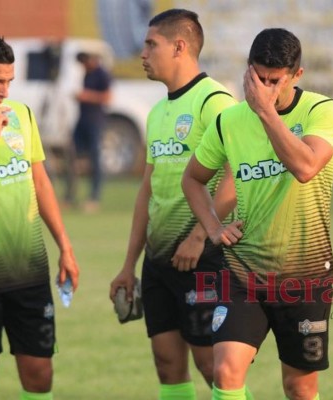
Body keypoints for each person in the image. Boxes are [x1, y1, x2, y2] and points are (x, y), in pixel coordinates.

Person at [182, 28, 333, 400]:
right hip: (243, 272)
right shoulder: (230, 122)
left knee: (299, 388)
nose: (264, 88)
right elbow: (193, 179)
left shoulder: (323, 111)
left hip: (305, 273)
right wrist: (213, 227)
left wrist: (266, 113)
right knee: (225, 372)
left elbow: (305, 167)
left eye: (274, 81)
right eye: (258, 78)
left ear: (297, 75)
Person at [109, 9, 237, 400]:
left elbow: (235, 176)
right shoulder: (158, 111)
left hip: (204, 257)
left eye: (151, 44)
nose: (143, 53)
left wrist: (201, 236)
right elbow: (148, 190)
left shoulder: (215, 102)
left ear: (179, 46)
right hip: (160, 260)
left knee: (212, 366)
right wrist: (129, 265)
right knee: (166, 362)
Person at [0, 36, 80, 400]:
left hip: (28, 271)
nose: (4, 91)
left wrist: (65, 246)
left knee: (39, 373)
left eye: (9, 81)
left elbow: (40, 182)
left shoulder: (22, 115)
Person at [64, 51, 112, 213]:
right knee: (72, 156)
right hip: (82, 120)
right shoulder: (87, 74)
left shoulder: (102, 74)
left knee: (95, 159)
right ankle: (70, 196)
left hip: (95, 122)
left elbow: (107, 97)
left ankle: (94, 198)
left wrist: (85, 96)